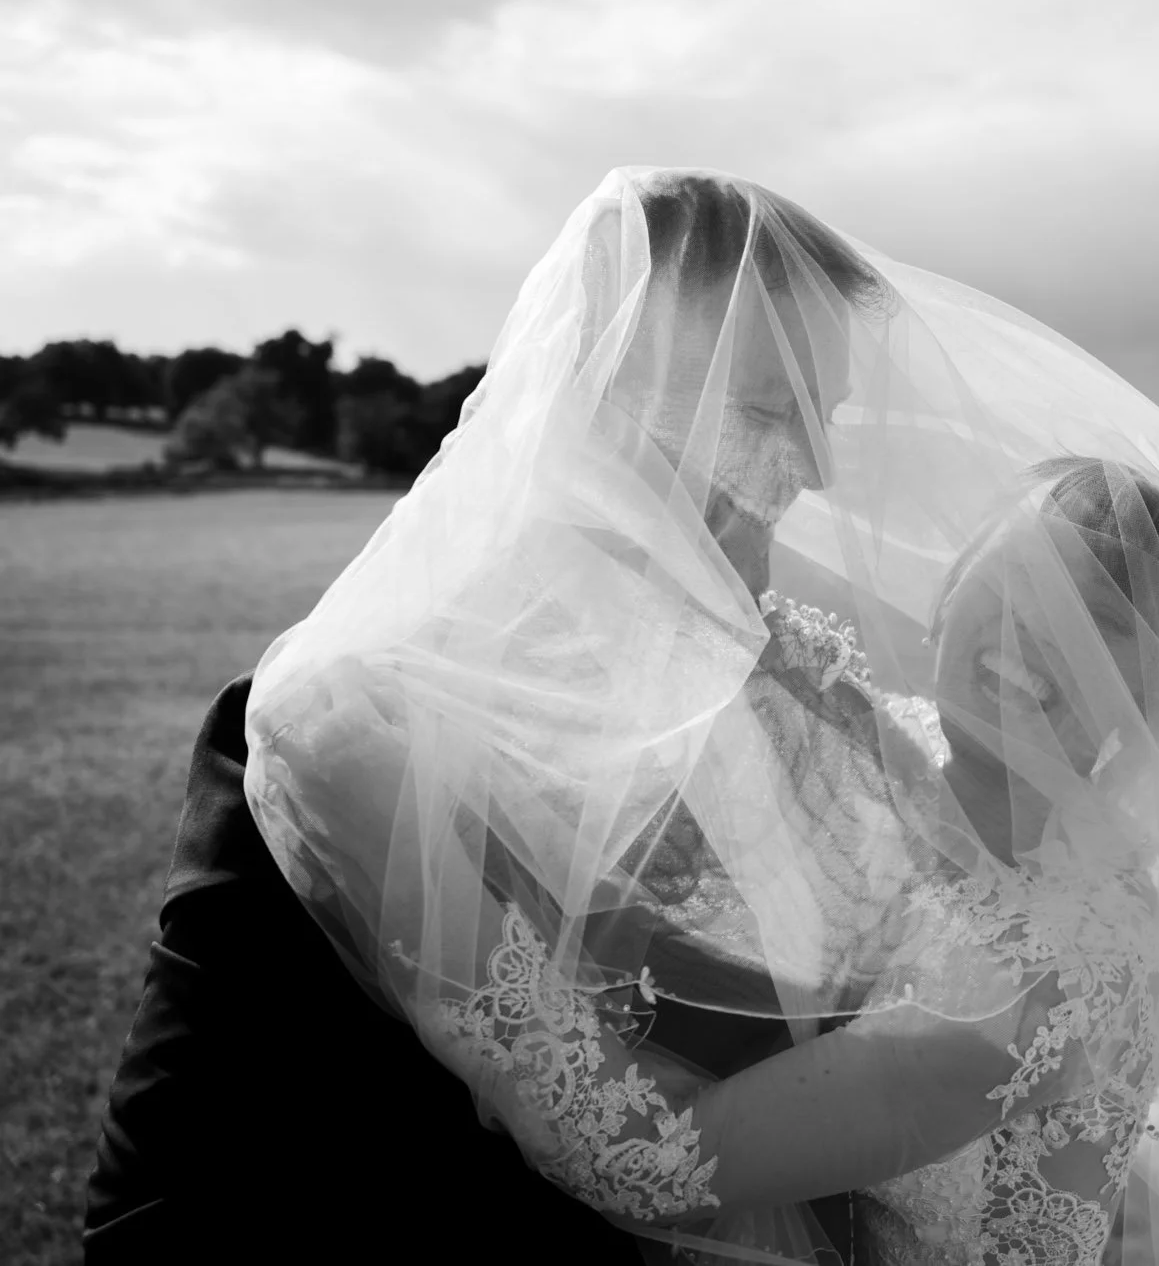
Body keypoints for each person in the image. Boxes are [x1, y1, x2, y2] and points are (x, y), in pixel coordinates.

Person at [83, 169, 884, 1262]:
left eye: (822, 416)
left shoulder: (771, 732)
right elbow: (154, 1216)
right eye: (766, 408)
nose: (819, 468)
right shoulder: (339, 727)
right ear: (595, 396)